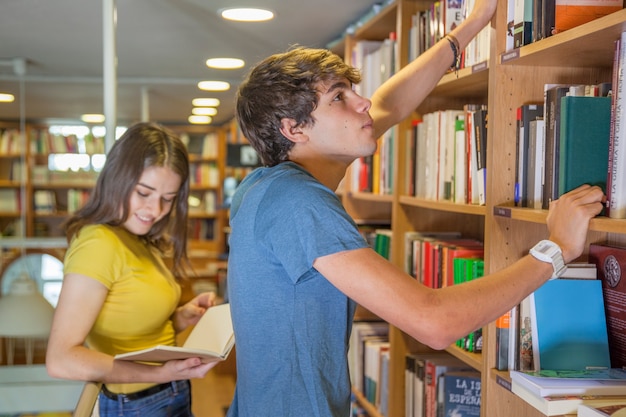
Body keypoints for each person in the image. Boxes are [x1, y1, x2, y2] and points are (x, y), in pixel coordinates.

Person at [225, 0, 606, 415]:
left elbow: (390, 104)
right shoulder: (299, 202)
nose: (363, 102)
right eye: (339, 98)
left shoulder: (262, 188)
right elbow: (434, 323)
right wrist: (555, 250)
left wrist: (473, 23)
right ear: (293, 128)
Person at [46, 122, 218, 417]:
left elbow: (130, 327)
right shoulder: (97, 244)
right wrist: (161, 374)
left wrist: (179, 317)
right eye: (144, 193)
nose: (155, 210)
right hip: (138, 403)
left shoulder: (137, 237)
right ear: (118, 179)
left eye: (167, 199)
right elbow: (61, 359)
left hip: (167, 393)